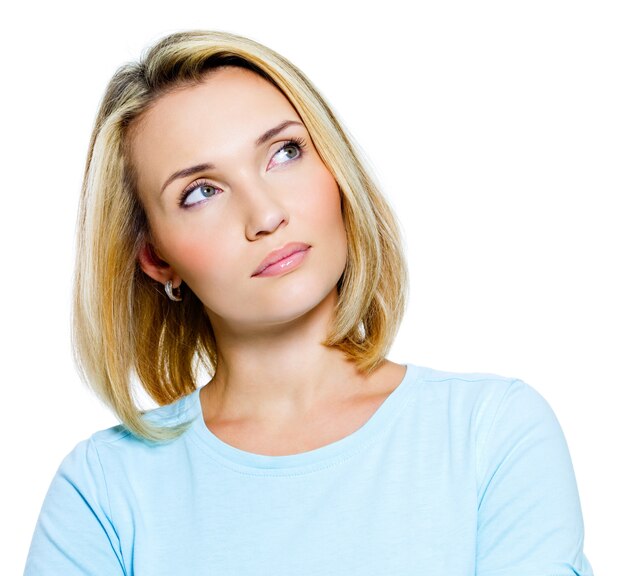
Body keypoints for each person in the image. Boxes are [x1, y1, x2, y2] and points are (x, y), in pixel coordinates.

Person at [24, 30, 593, 575]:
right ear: (155, 258)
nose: (266, 215)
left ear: (334, 167)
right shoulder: (102, 490)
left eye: (285, 152)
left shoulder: (492, 433)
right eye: (201, 192)